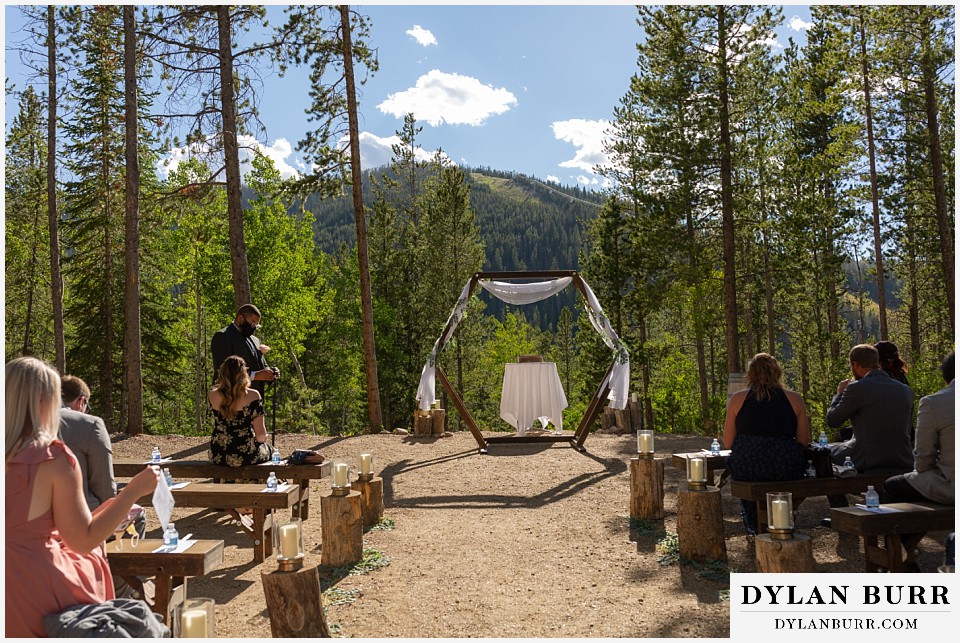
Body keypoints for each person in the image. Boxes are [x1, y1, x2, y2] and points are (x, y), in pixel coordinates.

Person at [5, 356, 159, 637]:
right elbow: (82, 540)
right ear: (43, 400)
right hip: (37, 588)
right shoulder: (52, 456)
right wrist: (133, 491)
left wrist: (110, 507)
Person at [723, 353, 811, 534]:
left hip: (747, 465)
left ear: (750, 374)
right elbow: (803, 440)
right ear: (777, 373)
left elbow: (727, 442)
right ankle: (786, 512)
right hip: (784, 466)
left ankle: (756, 520)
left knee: (744, 473)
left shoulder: (738, 399)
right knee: (807, 475)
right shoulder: (794, 399)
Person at [826, 344, 914, 474]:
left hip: (868, 459)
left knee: (822, 451)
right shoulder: (905, 389)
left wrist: (839, 394)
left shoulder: (856, 388)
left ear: (854, 364)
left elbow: (832, 420)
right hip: (902, 458)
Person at [883, 351, 954, 505]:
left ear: (947, 377)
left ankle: (915, 527)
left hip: (952, 488)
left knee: (891, 486)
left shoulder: (934, 402)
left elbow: (924, 459)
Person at [208, 355, 278, 467]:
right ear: (243, 374)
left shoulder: (212, 395)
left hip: (218, 453)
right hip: (245, 453)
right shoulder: (253, 395)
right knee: (273, 451)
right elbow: (261, 436)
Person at [59, 375, 116, 511]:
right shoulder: (91, 425)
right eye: (87, 406)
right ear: (81, 401)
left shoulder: (24, 420)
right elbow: (105, 488)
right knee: (138, 516)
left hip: (28, 516)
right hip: (82, 514)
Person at [211, 303, 278, 396]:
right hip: (230, 399)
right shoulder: (223, 336)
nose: (254, 327)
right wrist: (255, 376)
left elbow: (261, 365)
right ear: (240, 318)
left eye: (256, 325)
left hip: (254, 398)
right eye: (252, 323)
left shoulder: (255, 340)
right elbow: (223, 370)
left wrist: (270, 373)